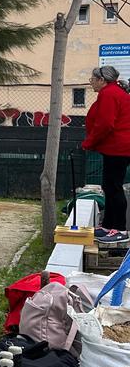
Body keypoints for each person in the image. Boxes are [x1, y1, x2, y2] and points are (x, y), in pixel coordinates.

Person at [83, 65, 130, 245]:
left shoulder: (109, 94)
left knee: (114, 186)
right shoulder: (113, 92)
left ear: (101, 80)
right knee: (109, 186)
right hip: (117, 147)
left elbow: (105, 124)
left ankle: (119, 229)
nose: (91, 82)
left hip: (119, 148)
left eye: (92, 79)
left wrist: (89, 143)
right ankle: (108, 225)